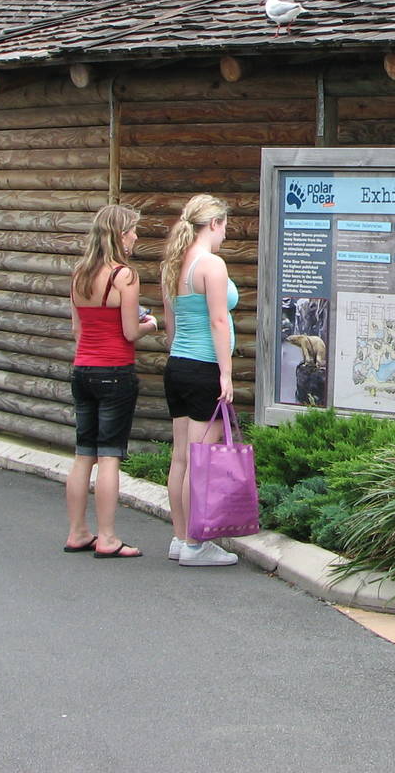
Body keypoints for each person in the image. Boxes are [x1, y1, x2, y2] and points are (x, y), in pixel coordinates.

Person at [66, 204, 159, 558]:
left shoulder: (79, 274)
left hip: (83, 370)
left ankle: (77, 532)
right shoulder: (124, 276)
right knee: (109, 456)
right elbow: (130, 331)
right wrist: (151, 324)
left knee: (82, 454)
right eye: (133, 231)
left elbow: (77, 330)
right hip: (115, 371)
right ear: (120, 235)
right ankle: (106, 537)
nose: (136, 236)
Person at [161, 194, 240, 568]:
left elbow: (171, 324)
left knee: (180, 457)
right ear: (213, 224)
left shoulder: (174, 263)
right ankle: (196, 543)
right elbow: (218, 321)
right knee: (200, 459)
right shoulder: (212, 264)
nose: (225, 234)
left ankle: (180, 537)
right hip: (203, 367)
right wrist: (225, 372)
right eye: (225, 226)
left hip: (177, 364)